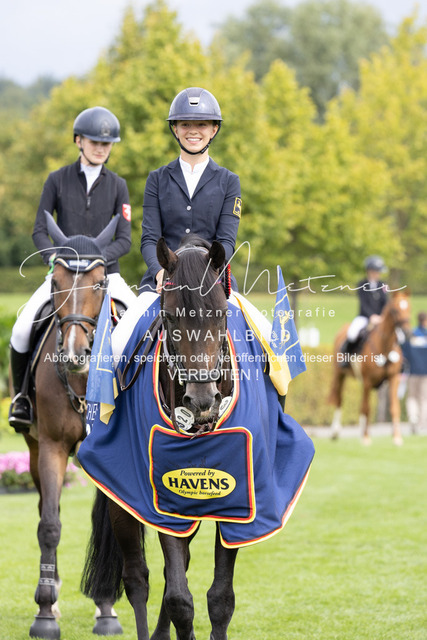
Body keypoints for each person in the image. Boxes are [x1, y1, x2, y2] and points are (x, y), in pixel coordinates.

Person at [9, 106, 135, 431]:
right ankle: (22, 399)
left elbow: (124, 239)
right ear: (79, 141)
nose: (101, 148)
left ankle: (139, 400)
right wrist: (55, 259)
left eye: (107, 144)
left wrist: (97, 262)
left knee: (140, 325)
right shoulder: (57, 179)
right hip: (64, 275)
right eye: (95, 142)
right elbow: (40, 229)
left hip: (106, 276)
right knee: (22, 328)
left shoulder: (118, 185)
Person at [139, 87, 242, 294]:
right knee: (132, 315)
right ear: (175, 129)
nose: (193, 131)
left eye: (201, 124)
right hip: (164, 277)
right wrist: (159, 272)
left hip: (212, 277)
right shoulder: (156, 179)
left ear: (214, 130)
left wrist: (205, 271)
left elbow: (226, 241)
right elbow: (150, 239)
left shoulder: (229, 181)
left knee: (250, 315)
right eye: (185, 124)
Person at [342, 255, 389, 356]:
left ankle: (401, 360)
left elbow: (386, 303)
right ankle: (347, 357)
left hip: (381, 318)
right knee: (352, 333)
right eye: (376, 271)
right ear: (370, 271)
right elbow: (363, 304)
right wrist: (372, 316)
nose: (378, 274)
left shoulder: (384, 286)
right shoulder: (361, 284)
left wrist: (382, 316)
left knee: (397, 334)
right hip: (365, 317)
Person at [403, 311, 427, 433]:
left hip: (412, 372)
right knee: (424, 398)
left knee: (412, 397)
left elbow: (405, 354)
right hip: (425, 373)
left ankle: (413, 417)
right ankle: (422, 424)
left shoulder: (411, 336)